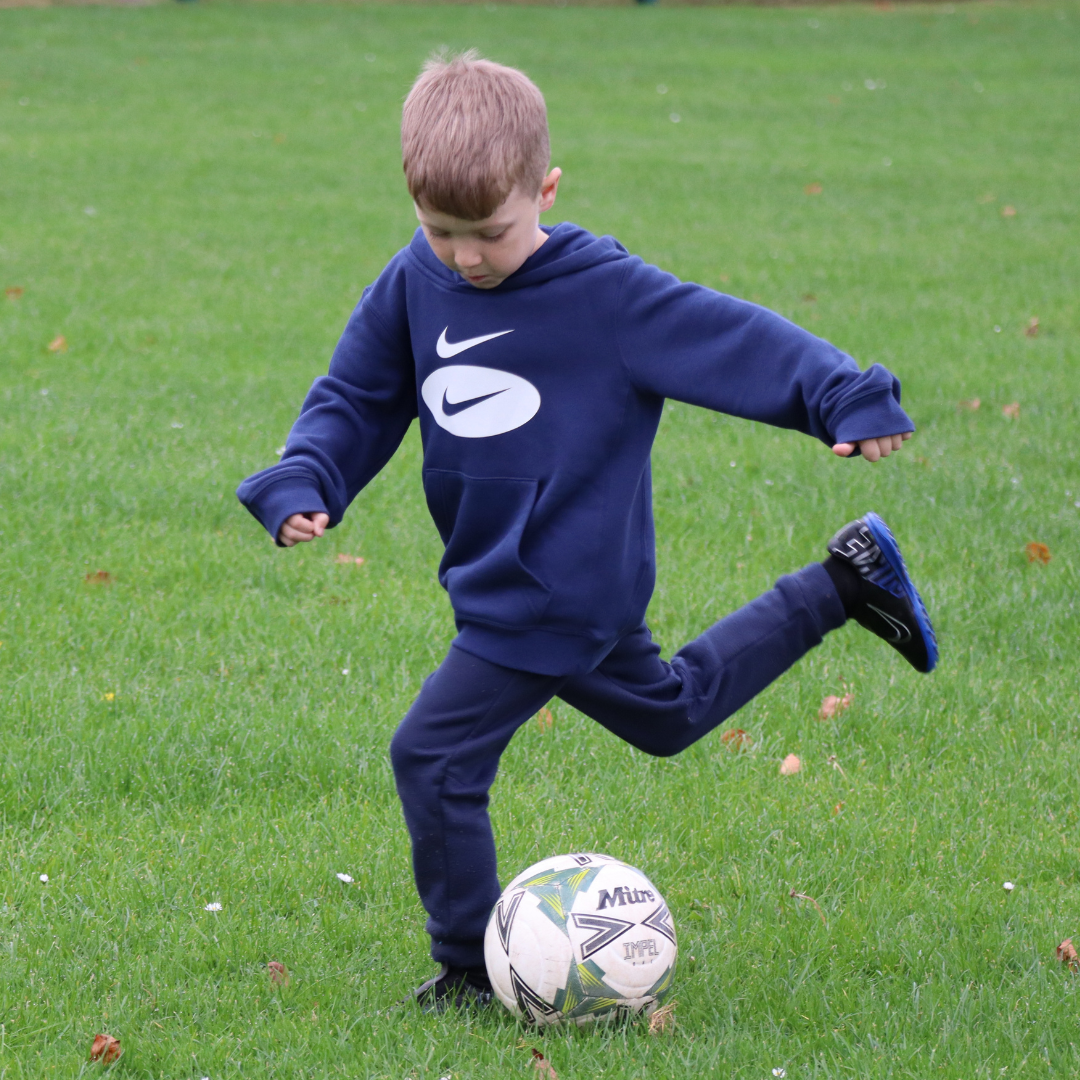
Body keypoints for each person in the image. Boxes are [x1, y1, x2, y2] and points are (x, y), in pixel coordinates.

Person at [237, 52, 937, 1011]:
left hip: (551, 587)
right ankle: (845, 582)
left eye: (489, 232)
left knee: (432, 757)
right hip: (511, 576)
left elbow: (733, 337)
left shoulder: (605, 294)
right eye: (440, 231)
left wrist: (842, 394)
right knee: (668, 715)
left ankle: (470, 969)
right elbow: (357, 396)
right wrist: (305, 476)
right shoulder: (414, 283)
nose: (465, 258)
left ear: (546, 190)